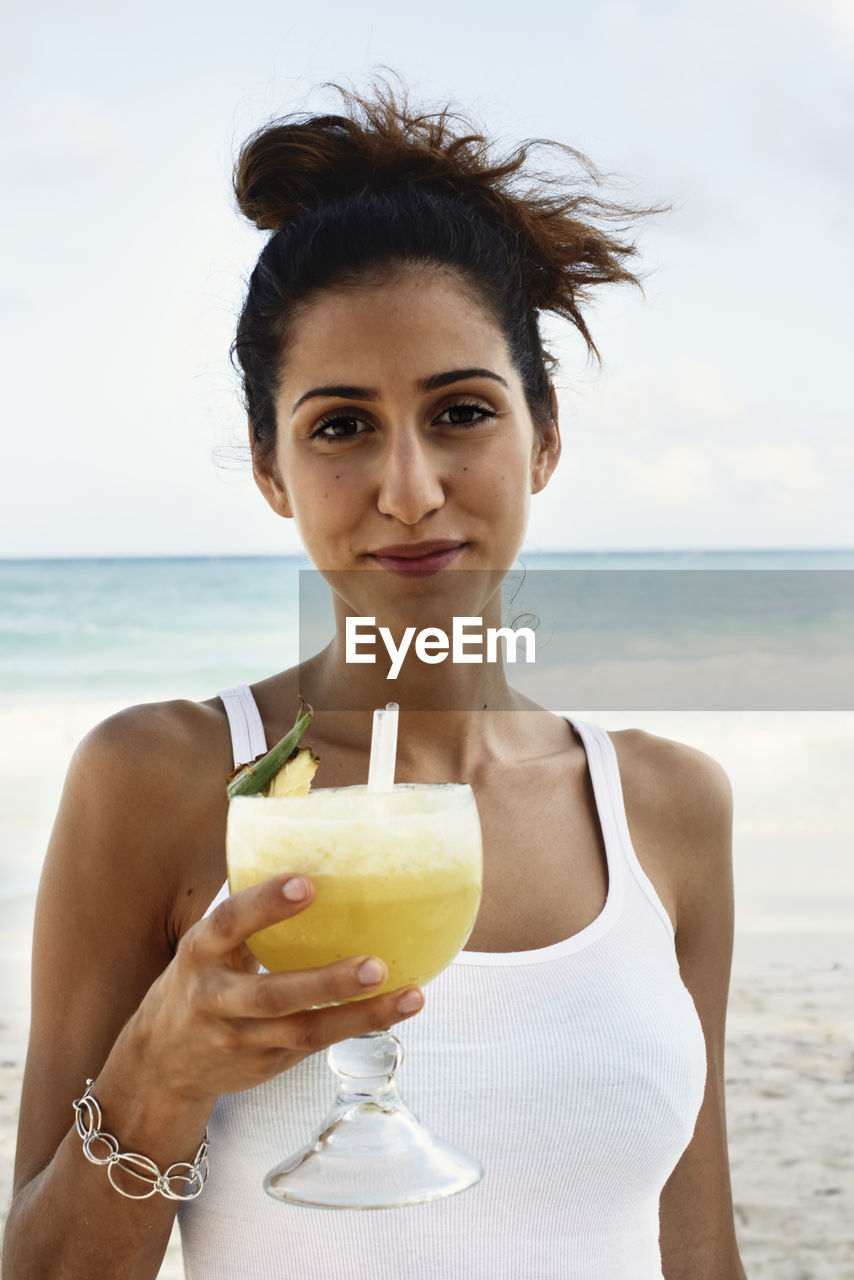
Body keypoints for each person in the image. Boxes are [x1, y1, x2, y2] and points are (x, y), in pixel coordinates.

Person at [4, 80, 748, 1279]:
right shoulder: (164, 780)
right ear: (268, 467)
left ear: (543, 437)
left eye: (460, 411)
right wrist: (161, 1069)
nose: (407, 488)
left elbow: (697, 1247)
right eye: (340, 426)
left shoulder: (668, 805)